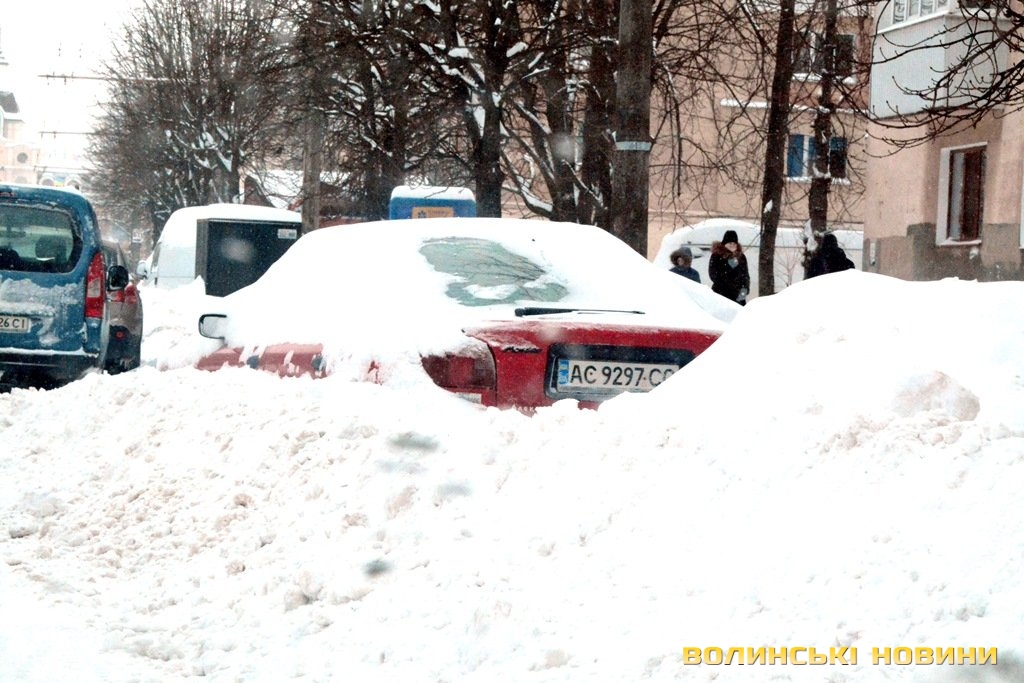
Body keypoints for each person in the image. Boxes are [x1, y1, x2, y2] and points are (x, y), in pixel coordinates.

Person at [708, 229, 750, 305]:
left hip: (738, 296)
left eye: (734, 243)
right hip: (721, 295)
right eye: (730, 243)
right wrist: (729, 266)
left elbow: (745, 275)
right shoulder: (716, 256)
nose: (732, 245)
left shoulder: (741, 257)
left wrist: (744, 291)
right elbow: (713, 274)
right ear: (724, 243)